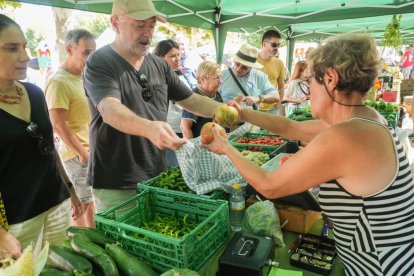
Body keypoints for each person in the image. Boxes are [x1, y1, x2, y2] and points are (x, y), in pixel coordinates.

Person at [204, 33, 414, 275]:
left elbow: (269, 186)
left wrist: (226, 147)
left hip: (383, 265)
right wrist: (243, 114)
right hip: (385, 255)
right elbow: (292, 128)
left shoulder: (347, 135)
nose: (308, 90)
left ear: (331, 79)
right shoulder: (365, 120)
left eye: (310, 82)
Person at [83, 0, 225, 212]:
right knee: (121, 243)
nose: (147, 33)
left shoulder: (159, 65)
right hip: (117, 181)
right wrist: (149, 128)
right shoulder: (99, 61)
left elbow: (192, 100)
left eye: (151, 25)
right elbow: (109, 109)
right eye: (139, 25)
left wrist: (224, 110)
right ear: (115, 22)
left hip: (157, 173)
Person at [0, 15, 81, 259]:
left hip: (56, 203)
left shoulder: (34, 93)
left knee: (62, 267)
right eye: (12, 48)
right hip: (17, 221)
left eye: (24, 46)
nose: (25, 56)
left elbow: (48, 149)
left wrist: (70, 188)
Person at [45, 29, 96, 228]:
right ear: (69, 49)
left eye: (93, 52)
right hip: (76, 157)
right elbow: (58, 125)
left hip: (90, 152)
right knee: (86, 209)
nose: (90, 58)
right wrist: (83, 153)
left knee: (93, 208)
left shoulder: (82, 77)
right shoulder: (58, 81)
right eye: (86, 52)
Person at [153, 39, 191, 168]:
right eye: (172, 56)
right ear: (160, 58)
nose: (177, 59)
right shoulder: (158, 79)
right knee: (173, 170)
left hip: (182, 129)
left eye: (178, 55)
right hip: (171, 130)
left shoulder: (179, 75)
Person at [220, 43, 279, 111]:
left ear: (251, 67)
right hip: (227, 119)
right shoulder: (222, 75)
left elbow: (276, 97)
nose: (238, 69)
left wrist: (259, 98)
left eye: (244, 67)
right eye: (237, 64)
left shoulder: (260, 77)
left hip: (251, 120)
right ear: (234, 60)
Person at [181, 61, 223, 139]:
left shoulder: (216, 94)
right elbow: (185, 127)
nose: (220, 81)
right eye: (216, 78)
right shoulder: (193, 98)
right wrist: (193, 149)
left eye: (221, 77)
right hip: (201, 146)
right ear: (203, 79)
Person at [257, 30, 286, 114]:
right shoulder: (252, 61)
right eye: (274, 45)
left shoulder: (279, 63)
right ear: (264, 43)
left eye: (278, 45)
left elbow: (281, 87)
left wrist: (279, 102)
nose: (276, 48)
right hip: (255, 108)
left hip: (273, 109)